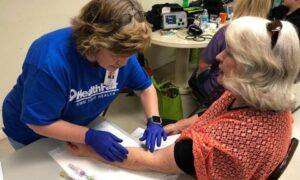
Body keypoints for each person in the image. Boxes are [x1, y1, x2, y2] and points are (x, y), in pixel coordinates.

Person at [66, 17, 300, 179]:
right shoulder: (257, 96)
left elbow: (153, 161)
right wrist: (172, 127)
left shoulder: (222, 144)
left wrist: (89, 151)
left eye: (230, 53)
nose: (218, 56)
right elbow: (209, 115)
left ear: (251, 68)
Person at [2, 0, 167, 161]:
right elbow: (37, 122)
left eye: (129, 55)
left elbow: (145, 88)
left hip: (75, 123)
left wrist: (155, 121)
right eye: (117, 56)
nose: (123, 63)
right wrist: (89, 136)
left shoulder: (122, 52)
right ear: (94, 41)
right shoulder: (51, 62)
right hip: (31, 133)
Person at [188, 0, 272, 109]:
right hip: (251, 93)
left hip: (220, 91)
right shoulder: (271, 35)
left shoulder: (227, 32)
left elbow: (203, 65)